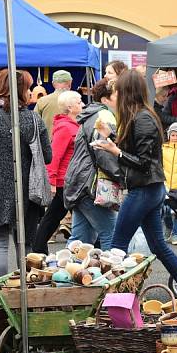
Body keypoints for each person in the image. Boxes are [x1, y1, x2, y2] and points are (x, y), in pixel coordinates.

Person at [91, 70, 177, 295]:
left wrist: (115, 151)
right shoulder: (139, 116)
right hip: (150, 189)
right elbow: (137, 153)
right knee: (158, 244)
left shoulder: (143, 118)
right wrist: (109, 138)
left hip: (144, 190)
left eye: (117, 91)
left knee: (117, 246)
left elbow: (145, 162)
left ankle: (115, 298)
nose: (115, 95)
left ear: (127, 92)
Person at [0, 69, 51, 278]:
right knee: (26, 243)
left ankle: (0, 294)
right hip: (25, 186)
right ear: (20, 90)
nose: (31, 92)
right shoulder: (33, 119)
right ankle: (30, 289)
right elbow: (47, 156)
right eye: (28, 88)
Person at [63, 79, 121, 250]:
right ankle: (111, 275)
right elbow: (104, 152)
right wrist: (122, 175)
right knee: (111, 232)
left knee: (80, 240)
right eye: (118, 94)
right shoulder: (105, 115)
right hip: (90, 185)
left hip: (78, 181)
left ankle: (66, 274)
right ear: (105, 99)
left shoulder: (92, 114)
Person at [31, 90, 83, 254]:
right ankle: (38, 250)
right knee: (52, 218)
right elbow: (55, 156)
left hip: (71, 180)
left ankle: (38, 250)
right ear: (70, 107)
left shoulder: (73, 125)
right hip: (65, 181)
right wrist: (52, 182)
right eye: (79, 102)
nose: (82, 104)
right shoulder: (65, 128)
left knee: (53, 217)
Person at [36, 70, 73, 136]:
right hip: (70, 144)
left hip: (48, 143)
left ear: (53, 84)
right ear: (70, 83)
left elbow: (34, 123)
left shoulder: (42, 101)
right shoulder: (77, 101)